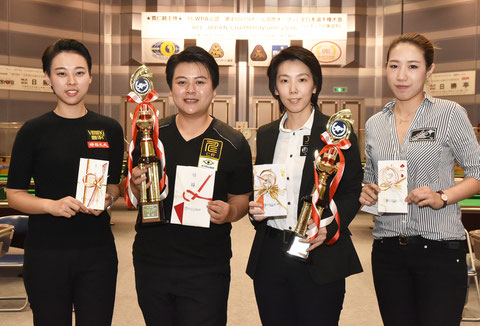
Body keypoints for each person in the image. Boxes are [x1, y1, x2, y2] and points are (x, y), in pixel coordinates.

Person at [126, 46, 252, 326]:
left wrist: (230, 212)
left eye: (200, 82)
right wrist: (136, 187)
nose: (190, 90)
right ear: (171, 89)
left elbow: (241, 197)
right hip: (152, 261)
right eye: (182, 82)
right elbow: (135, 196)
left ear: (214, 89)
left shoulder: (232, 142)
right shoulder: (151, 135)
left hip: (206, 266)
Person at [360, 33, 480, 326]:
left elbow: (478, 172)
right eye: (394, 65)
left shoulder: (449, 114)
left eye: (412, 66)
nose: (401, 76)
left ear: (430, 70)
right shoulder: (375, 124)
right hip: (387, 249)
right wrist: (367, 192)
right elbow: (371, 177)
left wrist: (443, 196)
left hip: (438, 249)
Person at [6, 39, 124, 325]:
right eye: (61, 73)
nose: (71, 81)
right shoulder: (32, 132)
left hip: (97, 253)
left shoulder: (109, 129)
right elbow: (14, 195)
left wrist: (108, 198)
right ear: (47, 77)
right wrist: (51, 206)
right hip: (47, 253)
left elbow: (113, 185)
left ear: (90, 76)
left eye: (79, 72)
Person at [246, 46, 363, 326]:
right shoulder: (265, 135)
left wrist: (330, 227)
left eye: (302, 79)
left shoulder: (336, 135)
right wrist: (255, 210)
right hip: (271, 256)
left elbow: (352, 190)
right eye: (284, 80)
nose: (293, 89)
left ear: (315, 85)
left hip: (319, 254)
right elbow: (261, 186)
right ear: (275, 88)